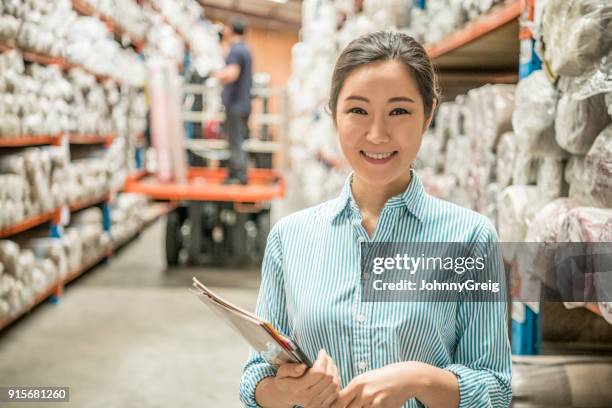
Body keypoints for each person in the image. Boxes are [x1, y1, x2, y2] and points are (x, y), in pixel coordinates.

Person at [239, 31, 511, 408]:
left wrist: (417, 378)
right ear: (333, 114)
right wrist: (287, 391)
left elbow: (495, 390)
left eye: (399, 111)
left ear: (428, 114)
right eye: (358, 110)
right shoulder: (291, 237)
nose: (377, 134)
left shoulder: (469, 237)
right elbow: (256, 375)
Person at [213, 19, 252, 185]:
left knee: (234, 141)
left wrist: (214, 75)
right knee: (238, 140)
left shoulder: (235, 50)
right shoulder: (246, 49)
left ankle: (239, 176)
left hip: (235, 104)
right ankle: (236, 174)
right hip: (243, 103)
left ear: (231, 30)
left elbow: (232, 73)